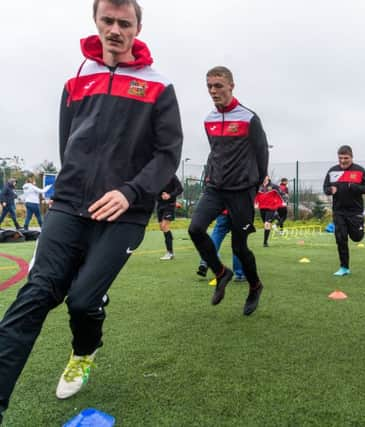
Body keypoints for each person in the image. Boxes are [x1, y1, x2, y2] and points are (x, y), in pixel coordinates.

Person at [0, 0, 183, 421]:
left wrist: (131, 192)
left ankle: (84, 350)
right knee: (33, 297)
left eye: (125, 22)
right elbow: (70, 143)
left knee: (82, 301)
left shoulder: (158, 85)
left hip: (126, 212)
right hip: (68, 207)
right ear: (96, 22)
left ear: (138, 27)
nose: (115, 29)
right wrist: (69, 190)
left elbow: (168, 153)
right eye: (108, 20)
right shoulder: (76, 79)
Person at [188, 66, 268, 316]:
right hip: (215, 187)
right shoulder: (208, 119)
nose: (213, 91)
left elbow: (261, 151)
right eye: (209, 86)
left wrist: (255, 184)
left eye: (218, 85)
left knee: (239, 247)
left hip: (242, 190)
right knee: (195, 229)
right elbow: (215, 151)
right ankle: (221, 273)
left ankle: (255, 286)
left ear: (231, 86)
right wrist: (210, 176)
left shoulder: (248, 117)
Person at [323, 145, 365, 276]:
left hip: (355, 211)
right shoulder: (333, 171)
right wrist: (330, 190)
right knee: (340, 238)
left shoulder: (359, 170)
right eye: (340, 158)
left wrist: (355, 187)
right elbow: (325, 188)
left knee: (356, 238)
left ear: (351, 157)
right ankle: (344, 267)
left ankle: (361, 226)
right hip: (338, 211)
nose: (343, 161)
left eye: (346, 158)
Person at [197, 212, 246, 282]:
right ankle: (239, 274)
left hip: (223, 211)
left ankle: (205, 261)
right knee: (238, 240)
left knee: (217, 234)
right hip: (238, 211)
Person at [157, 175, 183, 260]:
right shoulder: (156, 176)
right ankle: (170, 239)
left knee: (165, 226)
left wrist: (170, 195)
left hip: (169, 205)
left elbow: (180, 189)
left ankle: (170, 253)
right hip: (160, 206)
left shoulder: (172, 175)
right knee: (162, 227)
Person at [255, 176, 286, 247]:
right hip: (262, 208)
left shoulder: (274, 186)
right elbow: (255, 195)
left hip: (271, 207)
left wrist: (284, 202)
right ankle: (275, 216)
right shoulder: (258, 186)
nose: (263, 177)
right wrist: (255, 203)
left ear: (268, 177)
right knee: (265, 224)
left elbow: (282, 194)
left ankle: (265, 242)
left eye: (265, 176)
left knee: (267, 223)